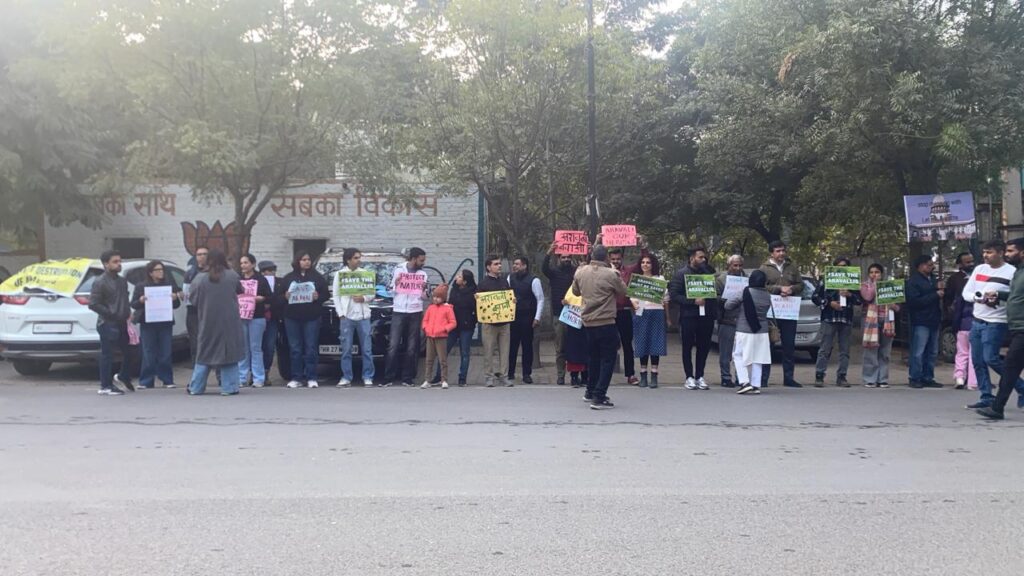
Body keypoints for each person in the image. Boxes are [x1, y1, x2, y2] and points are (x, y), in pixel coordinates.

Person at [963, 239, 1016, 409]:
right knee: (978, 361)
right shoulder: (979, 269)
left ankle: (1020, 386)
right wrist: (979, 298)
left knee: (991, 358)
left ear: (1000, 253)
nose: (985, 255)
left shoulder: (1011, 272)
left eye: (990, 252)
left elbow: (1013, 297)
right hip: (977, 319)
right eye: (984, 252)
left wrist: (997, 298)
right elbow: (967, 292)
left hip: (996, 321)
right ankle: (986, 396)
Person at [572, 245, 627, 409]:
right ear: (606, 259)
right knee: (608, 359)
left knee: (593, 358)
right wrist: (617, 274)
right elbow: (623, 292)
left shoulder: (580, 272)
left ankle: (590, 391)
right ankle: (599, 396)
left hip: (588, 322)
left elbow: (575, 292)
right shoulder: (611, 274)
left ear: (591, 255)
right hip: (605, 321)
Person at [977, 238, 1024, 420]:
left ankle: (997, 408)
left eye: (1011, 251)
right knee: (1011, 369)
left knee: (1011, 367)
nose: (1007, 254)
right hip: (1017, 328)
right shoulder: (1019, 272)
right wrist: (998, 294)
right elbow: (1015, 295)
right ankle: (997, 407)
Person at [187, 250, 245, 396]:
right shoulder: (232, 275)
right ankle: (229, 387)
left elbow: (193, 300)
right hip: (229, 321)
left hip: (207, 321)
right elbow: (240, 290)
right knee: (229, 354)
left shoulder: (200, 278)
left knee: (204, 355)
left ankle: (196, 387)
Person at [669, 246, 717, 390]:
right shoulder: (681, 274)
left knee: (704, 346)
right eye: (700, 257)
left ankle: (700, 375)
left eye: (704, 257)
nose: (703, 260)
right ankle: (689, 376)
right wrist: (692, 301)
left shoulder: (708, 272)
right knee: (687, 346)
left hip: (706, 316)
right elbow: (674, 295)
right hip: (689, 315)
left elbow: (713, 291)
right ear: (692, 258)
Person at [758, 241, 805, 388]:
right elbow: (761, 286)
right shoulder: (764, 268)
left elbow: (801, 284)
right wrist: (778, 289)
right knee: (768, 345)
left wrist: (791, 289)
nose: (781, 253)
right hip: (771, 311)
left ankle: (789, 378)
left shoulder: (792, 267)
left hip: (789, 311)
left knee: (789, 345)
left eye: (783, 250)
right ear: (772, 253)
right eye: (778, 251)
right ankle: (763, 378)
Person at [130, 260, 182, 389]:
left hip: (165, 322)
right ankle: (146, 380)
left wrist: (175, 298)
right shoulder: (141, 286)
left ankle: (167, 379)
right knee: (148, 352)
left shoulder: (169, 285)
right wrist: (141, 300)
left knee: (165, 352)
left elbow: (176, 305)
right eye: (157, 270)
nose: (161, 272)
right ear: (150, 273)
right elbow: (134, 304)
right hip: (148, 322)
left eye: (162, 270)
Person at [281, 251, 329, 389]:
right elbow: (278, 298)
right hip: (292, 317)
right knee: (295, 348)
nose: (306, 262)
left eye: (308, 259)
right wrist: (285, 296)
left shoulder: (317, 277)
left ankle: (312, 377)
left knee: (311, 347)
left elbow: (325, 294)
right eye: (303, 259)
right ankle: (296, 377)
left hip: (312, 316)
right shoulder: (288, 278)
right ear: (297, 261)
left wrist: (317, 297)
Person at [89, 250, 134, 395]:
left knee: (132, 351)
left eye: (120, 261)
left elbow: (124, 299)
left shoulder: (122, 281)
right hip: (107, 323)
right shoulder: (100, 281)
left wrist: (127, 312)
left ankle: (123, 376)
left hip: (122, 322)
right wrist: (111, 313)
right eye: (115, 262)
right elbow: (93, 304)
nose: (119, 264)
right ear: (106, 264)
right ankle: (106, 385)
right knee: (107, 354)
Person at [812, 257, 861, 387]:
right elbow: (815, 297)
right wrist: (829, 303)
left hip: (846, 319)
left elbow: (860, 300)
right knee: (824, 349)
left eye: (845, 266)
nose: (842, 269)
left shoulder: (852, 281)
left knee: (845, 350)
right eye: (839, 266)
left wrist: (850, 295)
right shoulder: (826, 280)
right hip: (829, 318)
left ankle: (842, 377)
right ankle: (819, 375)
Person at [384, 247, 428, 387]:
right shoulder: (398, 270)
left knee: (412, 346)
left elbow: (425, 297)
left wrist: (424, 290)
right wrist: (395, 285)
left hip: (415, 311)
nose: (423, 263)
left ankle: (407, 378)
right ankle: (388, 377)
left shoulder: (423, 274)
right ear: (413, 258)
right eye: (421, 260)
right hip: (399, 310)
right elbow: (389, 291)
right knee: (393, 344)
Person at [332, 248, 376, 388]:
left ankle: (367, 376)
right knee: (346, 348)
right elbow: (336, 296)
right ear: (348, 259)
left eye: (359, 257)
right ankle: (346, 377)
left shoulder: (364, 274)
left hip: (363, 316)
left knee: (367, 349)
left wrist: (363, 297)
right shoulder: (340, 275)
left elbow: (372, 293)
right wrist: (341, 314)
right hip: (347, 317)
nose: (359, 260)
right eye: (356, 258)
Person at [725, 270, 771, 395]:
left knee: (738, 355)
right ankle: (756, 384)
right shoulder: (768, 295)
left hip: (744, 329)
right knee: (758, 358)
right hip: (762, 330)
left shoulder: (745, 292)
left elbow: (728, 305)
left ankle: (744, 382)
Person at [432, 269, 477, 386]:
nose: (457, 277)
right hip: (452, 326)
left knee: (465, 352)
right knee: (443, 351)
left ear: (465, 281)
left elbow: (476, 309)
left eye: (460, 277)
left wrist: (472, 321)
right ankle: (439, 376)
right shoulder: (454, 290)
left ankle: (462, 378)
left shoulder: (473, 293)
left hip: (466, 326)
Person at [906, 254, 944, 388]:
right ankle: (915, 377)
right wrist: (935, 295)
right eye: (929, 264)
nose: (931, 267)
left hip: (934, 318)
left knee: (932, 351)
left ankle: (928, 376)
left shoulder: (933, 280)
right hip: (920, 320)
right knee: (918, 351)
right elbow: (914, 302)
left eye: (932, 264)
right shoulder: (913, 282)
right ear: (920, 266)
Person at [542, 243, 578, 385]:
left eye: (569, 257)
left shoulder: (576, 272)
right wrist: (549, 252)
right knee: (560, 347)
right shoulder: (554, 272)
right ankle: (561, 375)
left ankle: (575, 375)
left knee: (575, 346)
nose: (566, 259)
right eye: (563, 257)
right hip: (559, 315)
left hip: (575, 314)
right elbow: (544, 268)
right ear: (559, 259)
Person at [630, 253, 668, 388]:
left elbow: (665, 298)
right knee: (643, 343)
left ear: (653, 265)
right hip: (641, 314)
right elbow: (632, 297)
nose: (645, 265)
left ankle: (654, 375)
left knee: (655, 344)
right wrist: (634, 303)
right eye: (643, 262)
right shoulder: (637, 280)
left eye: (648, 263)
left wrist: (667, 315)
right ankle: (643, 375)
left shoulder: (660, 279)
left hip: (657, 313)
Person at [477, 255, 514, 387]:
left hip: (504, 323)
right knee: (488, 350)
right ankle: (489, 376)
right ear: (488, 267)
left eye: (499, 264)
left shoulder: (504, 281)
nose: (499, 266)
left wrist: (513, 301)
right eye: (496, 264)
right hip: (489, 324)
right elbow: (478, 302)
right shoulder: (483, 284)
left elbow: (510, 296)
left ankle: (504, 376)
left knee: (505, 351)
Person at [860, 264, 898, 388]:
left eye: (877, 272)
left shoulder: (890, 286)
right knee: (870, 350)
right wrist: (876, 285)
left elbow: (898, 306)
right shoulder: (865, 285)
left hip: (887, 321)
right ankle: (870, 379)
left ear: (882, 274)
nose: (874, 274)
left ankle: (883, 379)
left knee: (885, 352)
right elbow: (868, 296)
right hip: (871, 321)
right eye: (871, 272)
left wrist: (894, 306)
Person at [507, 256, 545, 384]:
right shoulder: (509, 278)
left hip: (528, 317)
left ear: (524, 266)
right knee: (512, 346)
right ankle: (510, 373)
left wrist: (537, 317)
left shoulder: (534, 281)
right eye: (514, 264)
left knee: (527, 346)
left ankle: (526, 374)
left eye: (517, 264)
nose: (515, 266)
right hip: (513, 317)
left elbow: (540, 299)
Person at [237, 253, 272, 388]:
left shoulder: (261, 279)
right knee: (243, 348)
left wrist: (260, 298)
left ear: (253, 264)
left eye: (246, 263)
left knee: (255, 348)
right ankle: (242, 377)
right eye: (241, 263)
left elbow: (269, 297)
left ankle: (258, 378)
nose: (243, 266)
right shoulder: (238, 279)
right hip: (241, 316)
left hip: (257, 317)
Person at [945, 253, 977, 389]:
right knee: (973, 353)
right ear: (960, 264)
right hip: (974, 323)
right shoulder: (955, 279)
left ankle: (959, 377)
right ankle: (973, 382)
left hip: (963, 324)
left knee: (962, 352)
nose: (970, 264)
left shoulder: (962, 293)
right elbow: (948, 299)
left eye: (972, 261)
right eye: (967, 262)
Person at [715, 255, 747, 388]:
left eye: (740, 265)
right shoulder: (721, 280)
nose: (738, 268)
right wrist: (727, 300)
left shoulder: (746, 279)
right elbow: (714, 297)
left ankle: (741, 376)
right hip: (726, 318)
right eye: (735, 265)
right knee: (725, 351)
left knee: (741, 352)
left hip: (742, 320)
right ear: (729, 265)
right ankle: (726, 377)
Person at [421, 285, 457, 389]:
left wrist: (445, 329)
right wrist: (425, 328)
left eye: (438, 297)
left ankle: (444, 380)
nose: (435, 299)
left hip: (441, 337)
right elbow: (425, 320)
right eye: (434, 297)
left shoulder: (447, 309)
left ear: (443, 298)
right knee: (429, 359)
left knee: (442, 359)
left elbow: (453, 322)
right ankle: (427, 379)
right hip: (430, 336)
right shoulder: (430, 308)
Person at [259, 260, 289, 384]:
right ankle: (256, 373)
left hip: (273, 318)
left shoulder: (281, 283)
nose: (268, 273)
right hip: (258, 317)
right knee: (257, 347)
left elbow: (283, 299)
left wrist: (271, 303)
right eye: (265, 271)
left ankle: (265, 372)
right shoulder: (257, 282)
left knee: (270, 347)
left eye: (270, 270)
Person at [184, 246, 209, 363]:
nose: (202, 256)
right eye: (199, 254)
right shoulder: (190, 274)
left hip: (210, 312)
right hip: (193, 312)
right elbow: (186, 295)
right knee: (195, 344)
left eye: (204, 254)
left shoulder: (214, 272)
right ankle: (196, 375)